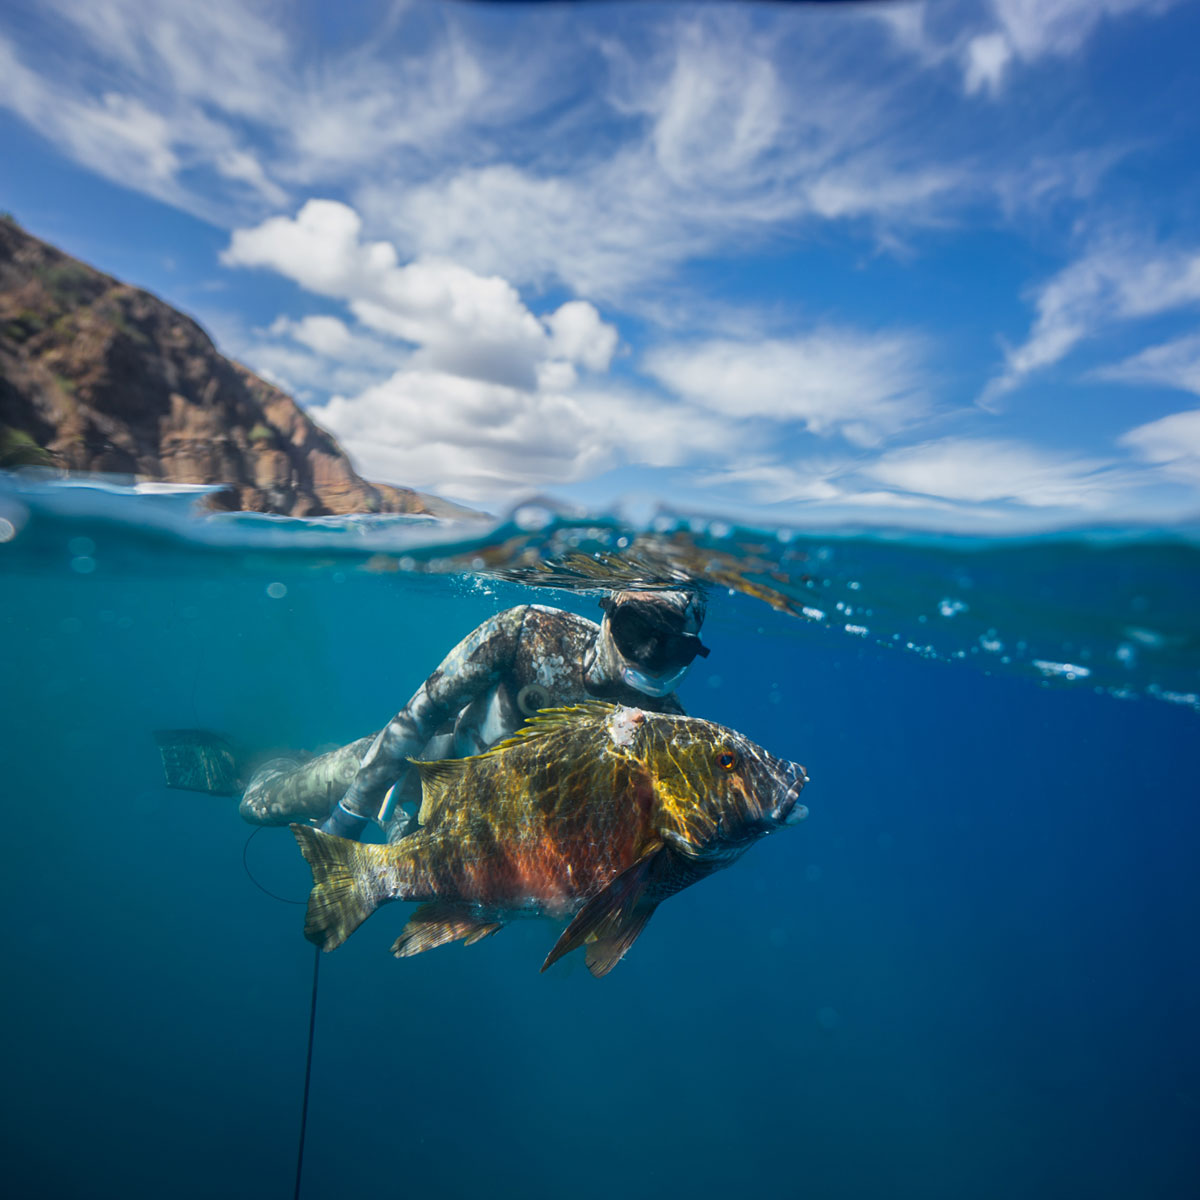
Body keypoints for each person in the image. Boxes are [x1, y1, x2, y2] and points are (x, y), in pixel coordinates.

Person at [229, 588, 709, 844]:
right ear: (609, 611)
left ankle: (344, 779)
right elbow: (420, 714)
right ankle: (268, 764)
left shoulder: (670, 731)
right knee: (257, 807)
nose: (646, 655)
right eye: (638, 630)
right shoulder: (530, 631)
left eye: (672, 648)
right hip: (415, 769)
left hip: (485, 831)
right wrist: (350, 814)